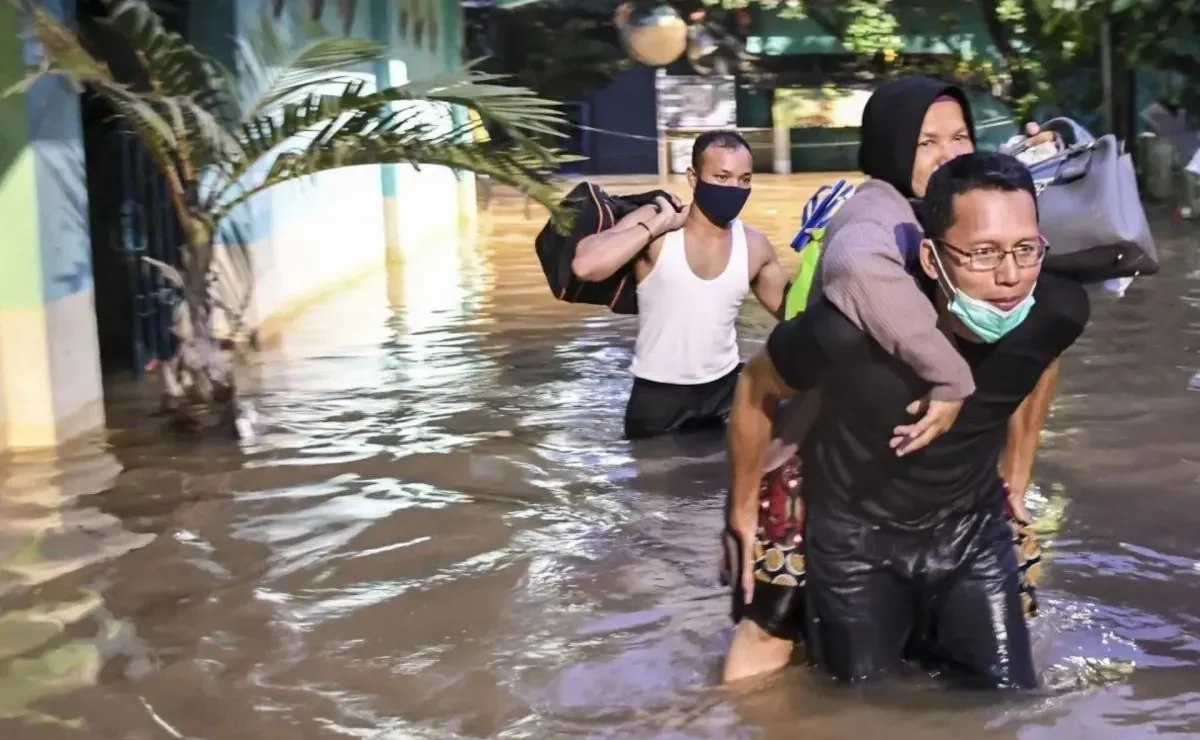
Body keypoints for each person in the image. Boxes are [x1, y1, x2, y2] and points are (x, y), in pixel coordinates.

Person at [724, 151, 1090, 689]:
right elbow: (755, 389)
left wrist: (1019, 466)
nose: (1010, 276)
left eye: (1025, 250)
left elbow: (1042, 360)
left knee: (1009, 703)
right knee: (863, 709)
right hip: (856, 541)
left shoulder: (1056, 310)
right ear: (930, 256)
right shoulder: (846, 332)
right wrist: (739, 510)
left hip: (972, 531)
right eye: (982, 253)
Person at [571, 131, 791, 440]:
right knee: (652, 485)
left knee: (721, 484)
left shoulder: (753, 245)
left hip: (724, 394)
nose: (734, 188)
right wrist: (659, 222)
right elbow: (586, 266)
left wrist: (822, 260)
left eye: (744, 179)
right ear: (692, 177)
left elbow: (797, 314)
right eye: (722, 176)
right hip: (658, 399)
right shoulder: (656, 224)